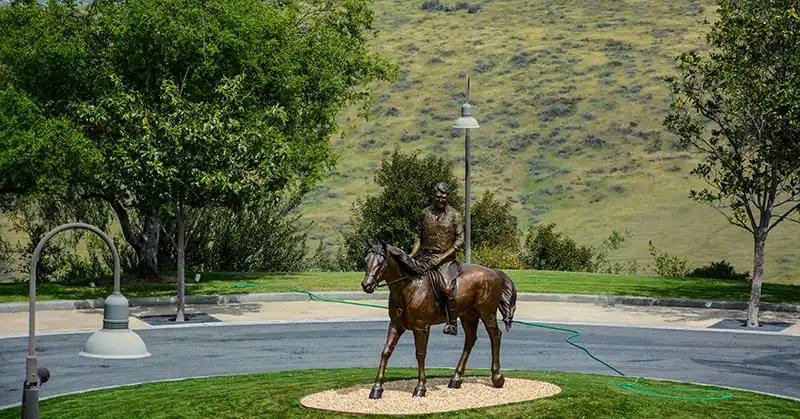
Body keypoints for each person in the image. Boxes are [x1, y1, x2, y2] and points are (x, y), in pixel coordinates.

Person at [409, 182, 464, 335]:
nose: (441, 199)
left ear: (448, 197)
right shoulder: (425, 213)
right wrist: (412, 255)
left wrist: (441, 258)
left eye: (444, 197)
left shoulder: (455, 215)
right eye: (438, 196)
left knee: (446, 287)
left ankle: (452, 323)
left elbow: (460, 241)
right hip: (425, 256)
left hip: (446, 260)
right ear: (434, 195)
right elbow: (419, 237)